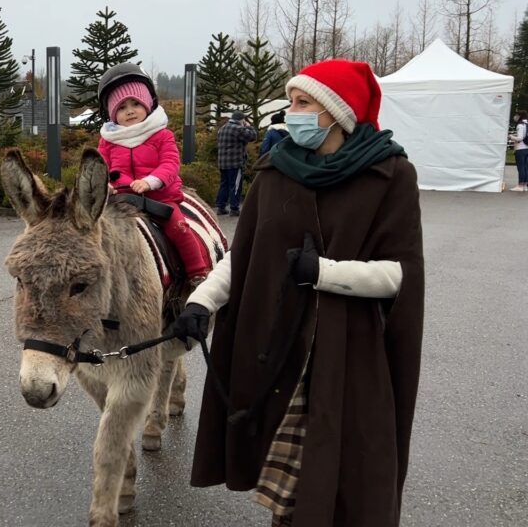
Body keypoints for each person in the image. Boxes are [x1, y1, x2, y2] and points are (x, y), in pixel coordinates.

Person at [173, 59, 425, 526]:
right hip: (279, 348)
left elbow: (399, 276)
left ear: (337, 111)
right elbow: (243, 255)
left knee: (342, 481)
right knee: (288, 490)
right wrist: (201, 300)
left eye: (304, 102)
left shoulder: (390, 175)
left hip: (346, 355)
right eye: (292, 101)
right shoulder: (276, 170)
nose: (293, 112)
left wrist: (325, 273)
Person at [96, 62, 213, 282]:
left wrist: (151, 181)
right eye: (121, 107)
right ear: (112, 114)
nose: (129, 111)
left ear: (148, 104)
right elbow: (102, 167)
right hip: (120, 200)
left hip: (159, 198)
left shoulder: (161, 134)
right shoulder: (108, 140)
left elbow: (170, 163)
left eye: (135, 104)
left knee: (179, 228)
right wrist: (105, 184)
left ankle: (198, 273)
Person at [215, 111, 257, 216]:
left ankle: (221, 207)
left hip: (222, 162)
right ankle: (234, 208)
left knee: (224, 185)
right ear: (242, 119)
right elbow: (253, 137)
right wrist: (249, 126)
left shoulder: (222, 129)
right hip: (235, 163)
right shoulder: (238, 129)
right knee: (236, 185)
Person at [509, 110, 528, 191]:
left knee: (521, 167)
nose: (515, 117)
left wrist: (511, 136)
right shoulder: (527, 124)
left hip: (521, 148)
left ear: (520, 116)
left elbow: (520, 138)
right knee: (526, 167)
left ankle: (520, 186)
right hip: (527, 148)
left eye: (516, 115)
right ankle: (525, 186)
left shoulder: (520, 125)